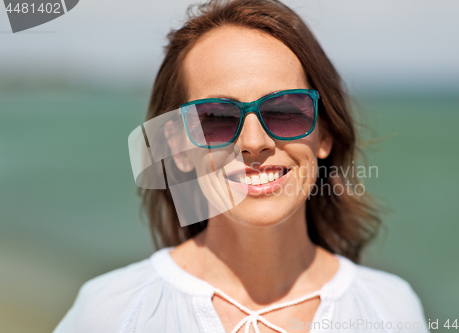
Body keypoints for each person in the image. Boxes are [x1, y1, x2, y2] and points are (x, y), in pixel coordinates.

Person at [53, 0, 429, 332]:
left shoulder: (391, 310)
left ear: (325, 133)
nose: (253, 143)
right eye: (215, 116)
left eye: (284, 111)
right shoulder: (111, 312)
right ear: (178, 148)